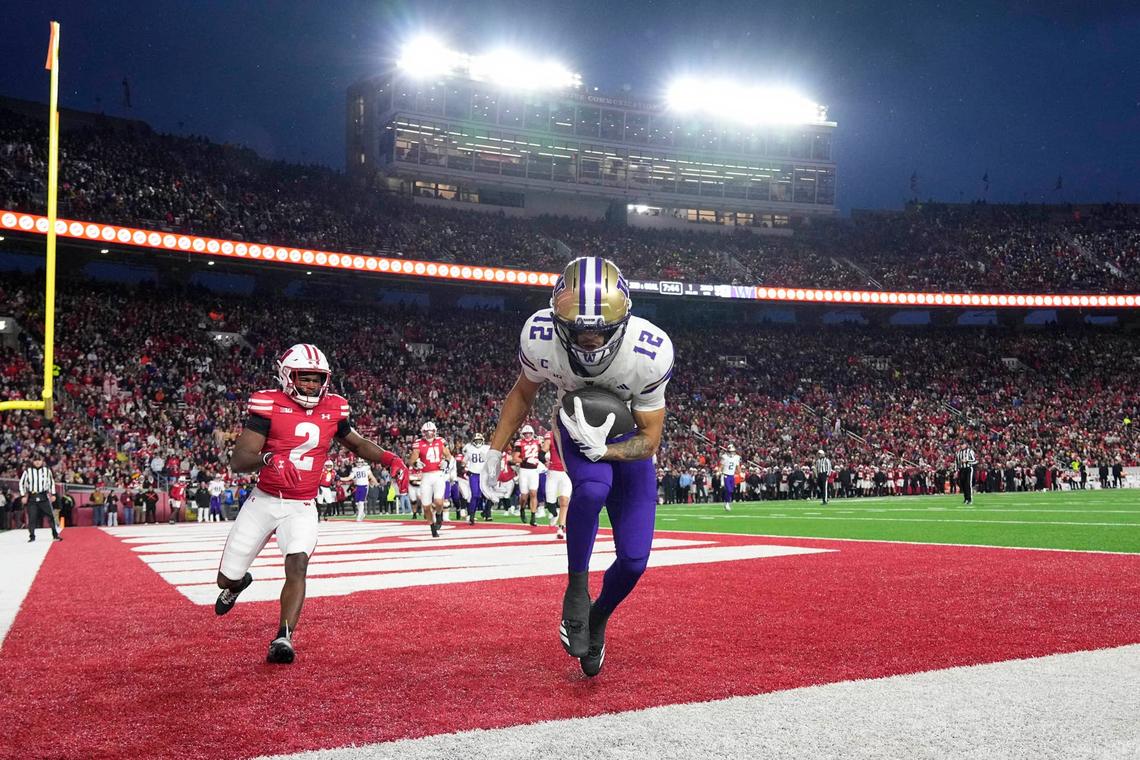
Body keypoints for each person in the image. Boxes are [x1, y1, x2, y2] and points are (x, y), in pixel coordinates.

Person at [484, 256, 673, 678]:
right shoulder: (540, 335)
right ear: (558, 320)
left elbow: (650, 439)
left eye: (599, 329)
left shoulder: (649, 351)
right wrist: (496, 450)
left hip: (627, 445)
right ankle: (576, 589)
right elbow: (523, 393)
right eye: (578, 329)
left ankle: (599, 617)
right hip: (575, 423)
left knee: (635, 562)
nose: (588, 339)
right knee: (588, 491)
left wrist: (605, 450)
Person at [215, 343, 408, 664]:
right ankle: (238, 584)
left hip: (301, 505)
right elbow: (239, 459)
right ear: (287, 375)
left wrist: (390, 459)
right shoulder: (268, 404)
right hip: (263, 501)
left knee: (297, 564)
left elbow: (357, 443)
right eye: (304, 378)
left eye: (317, 379)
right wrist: (268, 457)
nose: (311, 385)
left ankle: (283, 637)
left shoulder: (334, 407)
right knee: (226, 578)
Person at [408, 421, 453, 537]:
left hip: (438, 474)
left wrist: (446, 461)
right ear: (423, 433)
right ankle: (432, 527)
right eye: (427, 432)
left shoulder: (440, 441)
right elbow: (411, 461)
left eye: (431, 432)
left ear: (435, 432)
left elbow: (448, 455)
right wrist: (416, 463)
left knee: (438, 501)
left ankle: (439, 514)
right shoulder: (418, 444)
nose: (429, 434)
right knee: (426, 506)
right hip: (426, 476)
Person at [19, 451, 62, 542]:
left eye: (39, 460)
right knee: (32, 517)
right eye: (35, 460)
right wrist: (23, 495)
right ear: (33, 462)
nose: (37, 462)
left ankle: (55, 534)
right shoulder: (28, 471)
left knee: (51, 516)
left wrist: (53, 494)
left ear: (42, 461)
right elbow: (21, 483)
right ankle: (32, 536)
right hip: (32, 496)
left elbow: (51, 483)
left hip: (43, 496)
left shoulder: (47, 471)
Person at [542, 428, 571, 539]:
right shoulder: (550, 434)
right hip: (553, 472)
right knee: (550, 502)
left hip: (566, 472)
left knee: (564, 500)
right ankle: (554, 513)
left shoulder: (572, 432)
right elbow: (543, 450)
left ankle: (561, 528)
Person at [513, 424, 543, 526]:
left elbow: (542, 454)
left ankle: (533, 517)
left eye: (529, 433)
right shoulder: (519, 443)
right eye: (526, 434)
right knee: (524, 496)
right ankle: (522, 509)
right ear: (523, 434)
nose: (528, 435)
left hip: (534, 471)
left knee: (534, 493)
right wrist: (525, 460)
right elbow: (515, 458)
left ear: (532, 433)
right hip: (524, 471)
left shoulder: (537, 442)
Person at [346, 457, 377, 522]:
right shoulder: (354, 469)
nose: (359, 463)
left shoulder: (366, 468)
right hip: (358, 486)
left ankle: (359, 516)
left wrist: (376, 482)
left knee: (361, 502)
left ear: (363, 462)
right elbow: (350, 477)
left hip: (364, 486)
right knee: (357, 503)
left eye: (360, 462)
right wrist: (341, 478)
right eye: (358, 462)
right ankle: (362, 513)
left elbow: (371, 476)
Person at [955, 436, 978, 506]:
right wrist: (956, 471)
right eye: (961, 444)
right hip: (962, 469)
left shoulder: (970, 451)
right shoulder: (958, 453)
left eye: (963, 444)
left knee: (968, 484)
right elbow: (956, 462)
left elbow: (975, 461)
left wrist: (967, 461)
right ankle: (966, 499)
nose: (962, 446)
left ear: (966, 444)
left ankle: (970, 499)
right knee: (963, 485)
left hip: (968, 469)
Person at [720, 444, 741, 511]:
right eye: (731, 451)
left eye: (733, 451)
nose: (732, 453)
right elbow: (721, 466)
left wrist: (740, 473)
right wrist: (719, 471)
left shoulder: (737, 457)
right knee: (728, 490)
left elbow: (738, 466)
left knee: (731, 490)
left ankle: (726, 502)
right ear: (728, 451)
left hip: (732, 475)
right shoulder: (724, 457)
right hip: (726, 475)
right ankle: (727, 503)